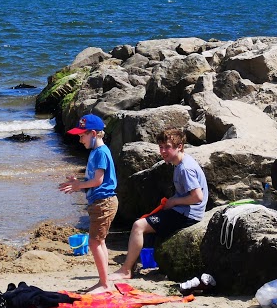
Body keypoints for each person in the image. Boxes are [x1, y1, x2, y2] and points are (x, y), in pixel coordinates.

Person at [121, 127, 208, 277]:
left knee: (138, 226)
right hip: (184, 211)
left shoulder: (185, 169)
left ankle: (126, 270)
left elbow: (197, 197)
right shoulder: (180, 162)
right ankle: (139, 262)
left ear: (179, 146)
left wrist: (174, 202)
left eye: (167, 147)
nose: (162, 151)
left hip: (188, 215)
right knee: (145, 221)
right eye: (161, 147)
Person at [59, 113, 119, 293]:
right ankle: (105, 280)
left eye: (81, 135)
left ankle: (104, 284)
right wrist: (77, 181)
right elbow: (92, 180)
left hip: (104, 202)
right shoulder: (95, 152)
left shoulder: (101, 152)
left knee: (94, 242)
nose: (79, 140)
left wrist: (79, 185)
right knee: (100, 242)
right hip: (100, 201)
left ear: (93, 133)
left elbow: (98, 181)